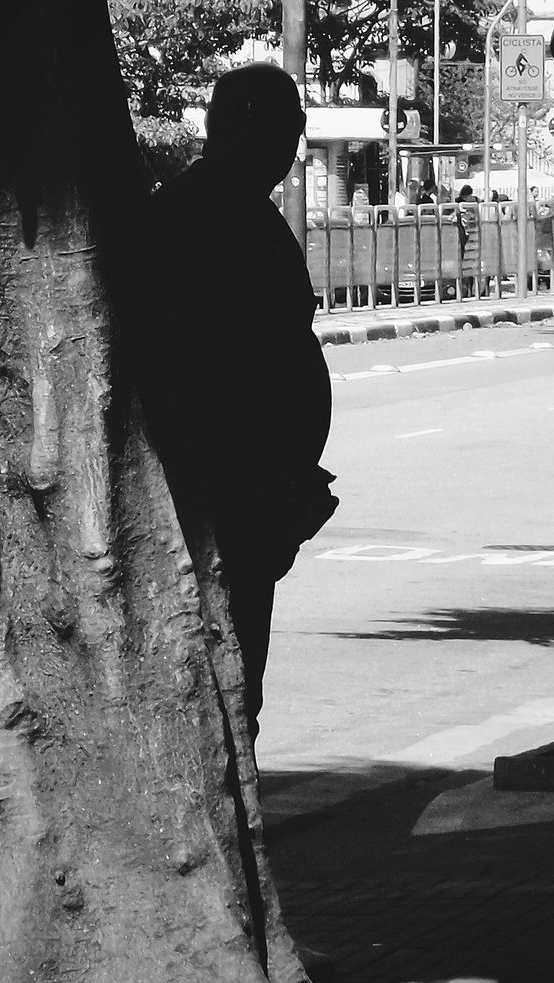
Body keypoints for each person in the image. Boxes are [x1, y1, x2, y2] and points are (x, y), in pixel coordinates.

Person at [145, 63, 337, 741]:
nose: (288, 150)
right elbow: (209, 367)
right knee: (222, 684)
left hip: (254, 487)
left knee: (236, 682)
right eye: (284, 132)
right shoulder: (200, 214)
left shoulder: (241, 210)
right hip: (220, 490)